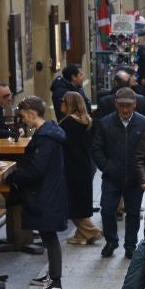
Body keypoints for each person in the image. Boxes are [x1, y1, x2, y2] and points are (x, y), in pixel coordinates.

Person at [7, 96, 68, 289]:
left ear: (33, 113)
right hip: (47, 190)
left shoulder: (46, 138)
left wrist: (15, 176)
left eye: (24, 115)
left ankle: (56, 282)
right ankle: (52, 274)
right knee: (46, 234)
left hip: (46, 193)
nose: (22, 119)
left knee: (49, 236)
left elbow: (37, 169)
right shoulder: (47, 133)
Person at [92, 87, 145, 259]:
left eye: (128, 106)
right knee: (107, 210)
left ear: (134, 104)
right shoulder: (105, 123)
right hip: (112, 175)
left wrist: (144, 171)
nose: (125, 110)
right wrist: (107, 166)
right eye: (121, 106)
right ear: (116, 105)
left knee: (133, 213)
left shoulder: (144, 123)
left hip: (135, 177)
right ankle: (111, 240)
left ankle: (130, 244)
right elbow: (96, 148)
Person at [58, 92, 101, 245]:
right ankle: (81, 235)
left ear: (69, 104)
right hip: (86, 165)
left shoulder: (68, 123)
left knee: (73, 202)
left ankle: (92, 231)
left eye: (63, 101)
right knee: (81, 200)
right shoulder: (88, 121)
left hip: (72, 166)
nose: (60, 104)